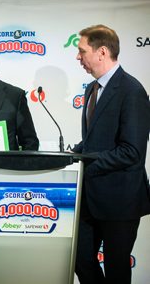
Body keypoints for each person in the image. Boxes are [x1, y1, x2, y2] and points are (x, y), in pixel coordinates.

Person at [72, 25, 150, 284]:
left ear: (102, 51)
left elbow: (132, 151)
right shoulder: (91, 89)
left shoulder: (132, 91)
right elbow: (96, 140)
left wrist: (86, 164)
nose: (78, 57)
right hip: (89, 199)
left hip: (121, 200)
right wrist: (74, 154)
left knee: (117, 269)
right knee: (79, 259)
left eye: (82, 51)